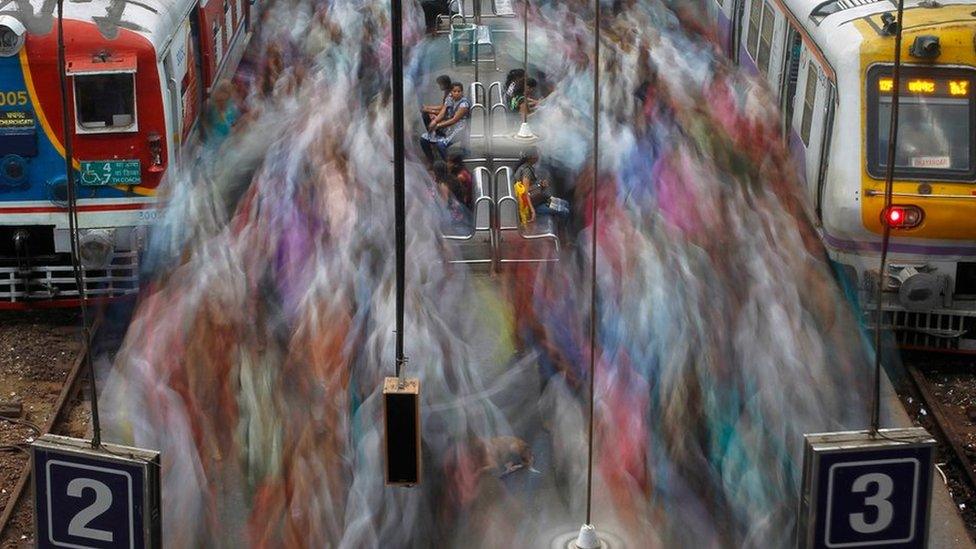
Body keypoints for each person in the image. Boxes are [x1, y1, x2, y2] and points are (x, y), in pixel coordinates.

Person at [514, 147, 569, 224]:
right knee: (565, 211)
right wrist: (532, 211)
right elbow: (526, 193)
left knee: (565, 203)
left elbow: (530, 187)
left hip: (538, 200)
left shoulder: (526, 167)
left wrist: (540, 185)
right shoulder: (527, 172)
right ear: (532, 157)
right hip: (535, 205)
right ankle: (562, 229)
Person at [420, 82, 471, 162]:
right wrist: (435, 121)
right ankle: (431, 160)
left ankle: (448, 164)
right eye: (454, 91)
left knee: (441, 144)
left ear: (462, 92)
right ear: (451, 92)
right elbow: (443, 113)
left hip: (459, 129)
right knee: (424, 138)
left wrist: (438, 125)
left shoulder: (464, 104)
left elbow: (454, 119)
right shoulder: (450, 98)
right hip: (447, 128)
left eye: (459, 91)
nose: (457, 93)